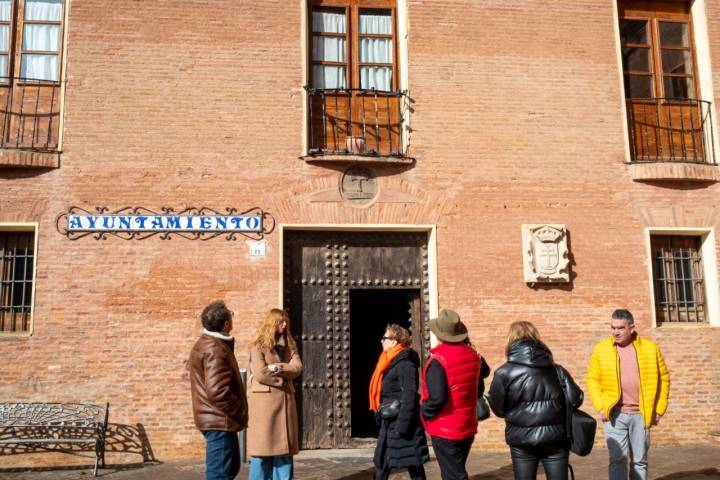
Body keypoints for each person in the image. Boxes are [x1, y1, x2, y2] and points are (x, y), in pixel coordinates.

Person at [487, 321, 583, 480]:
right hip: (556, 439)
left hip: (521, 440)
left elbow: (498, 410)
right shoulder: (557, 370)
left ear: (510, 340)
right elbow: (576, 400)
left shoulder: (504, 372)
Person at [586, 309, 670, 480]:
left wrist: (659, 410)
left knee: (639, 461)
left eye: (620, 328)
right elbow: (592, 379)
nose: (615, 332)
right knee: (617, 460)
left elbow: (664, 379)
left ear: (632, 328)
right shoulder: (601, 349)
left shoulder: (650, 348)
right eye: (613, 327)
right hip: (614, 414)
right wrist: (600, 406)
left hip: (642, 414)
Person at [420, 309, 488, 480]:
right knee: (453, 472)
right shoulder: (474, 356)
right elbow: (478, 390)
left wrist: (424, 412)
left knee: (454, 476)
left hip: (445, 429)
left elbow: (437, 398)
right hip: (467, 426)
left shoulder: (438, 360)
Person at [189, 300, 248, 480]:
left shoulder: (207, 344)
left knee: (228, 470)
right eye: (231, 315)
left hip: (216, 421)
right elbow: (218, 392)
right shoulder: (215, 349)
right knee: (219, 475)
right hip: (219, 422)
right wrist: (241, 410)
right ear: (226, 324)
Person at [247, 309, 303, 480]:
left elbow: (297, 368)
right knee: (261, 452)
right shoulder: (258, 345)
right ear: (272, 323)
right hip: (264, 406)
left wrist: (279, 368)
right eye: (281, 322)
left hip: (285, 404)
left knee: (283, 452)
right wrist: (283, 380)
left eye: (286, 321)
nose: (285, 325)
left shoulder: (290, 344)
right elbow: (260, 373)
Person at [370, 324, 429, 480]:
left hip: (402, 424)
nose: (381, 341)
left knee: (413, 464)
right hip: (389, 422)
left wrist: (402, 427)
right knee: (382, 463)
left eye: (384, 338)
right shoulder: (390, 361)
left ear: (394, 341)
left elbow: (410, 395)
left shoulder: (405, 363)